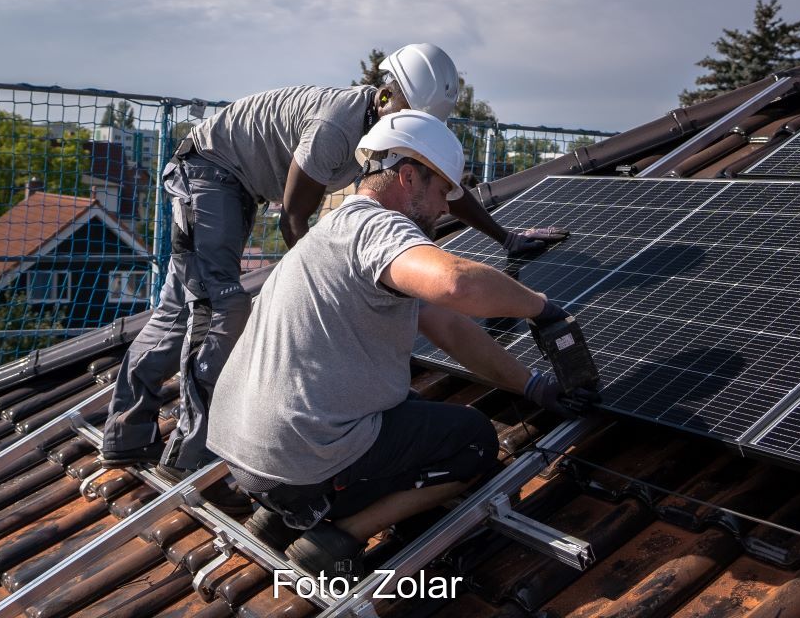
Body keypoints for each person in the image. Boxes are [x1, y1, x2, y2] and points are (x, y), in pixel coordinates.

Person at [99, 43, 568, 473]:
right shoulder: (336, 126)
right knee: (221, 307)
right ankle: (191, 454)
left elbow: (442, 185)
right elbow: (294, 217)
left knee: (177, 309)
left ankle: (125, 433)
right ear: (387, 97)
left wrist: (505, 239)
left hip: (235, 184)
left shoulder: (389, 138)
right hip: (209, 172)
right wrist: (315, 294)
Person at [206, 110, 595, 578]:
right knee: (471, 440)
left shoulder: (333, 231)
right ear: (408, 177)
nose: (444, 207)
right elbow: (453, 284)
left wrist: (533, 386)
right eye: (439, 192)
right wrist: (540, 307)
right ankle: (337, 538)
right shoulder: (378, 228)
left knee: (404, 404)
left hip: (246, 450)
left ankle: (287, 510)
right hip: (297, 452)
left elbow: (447, 325)